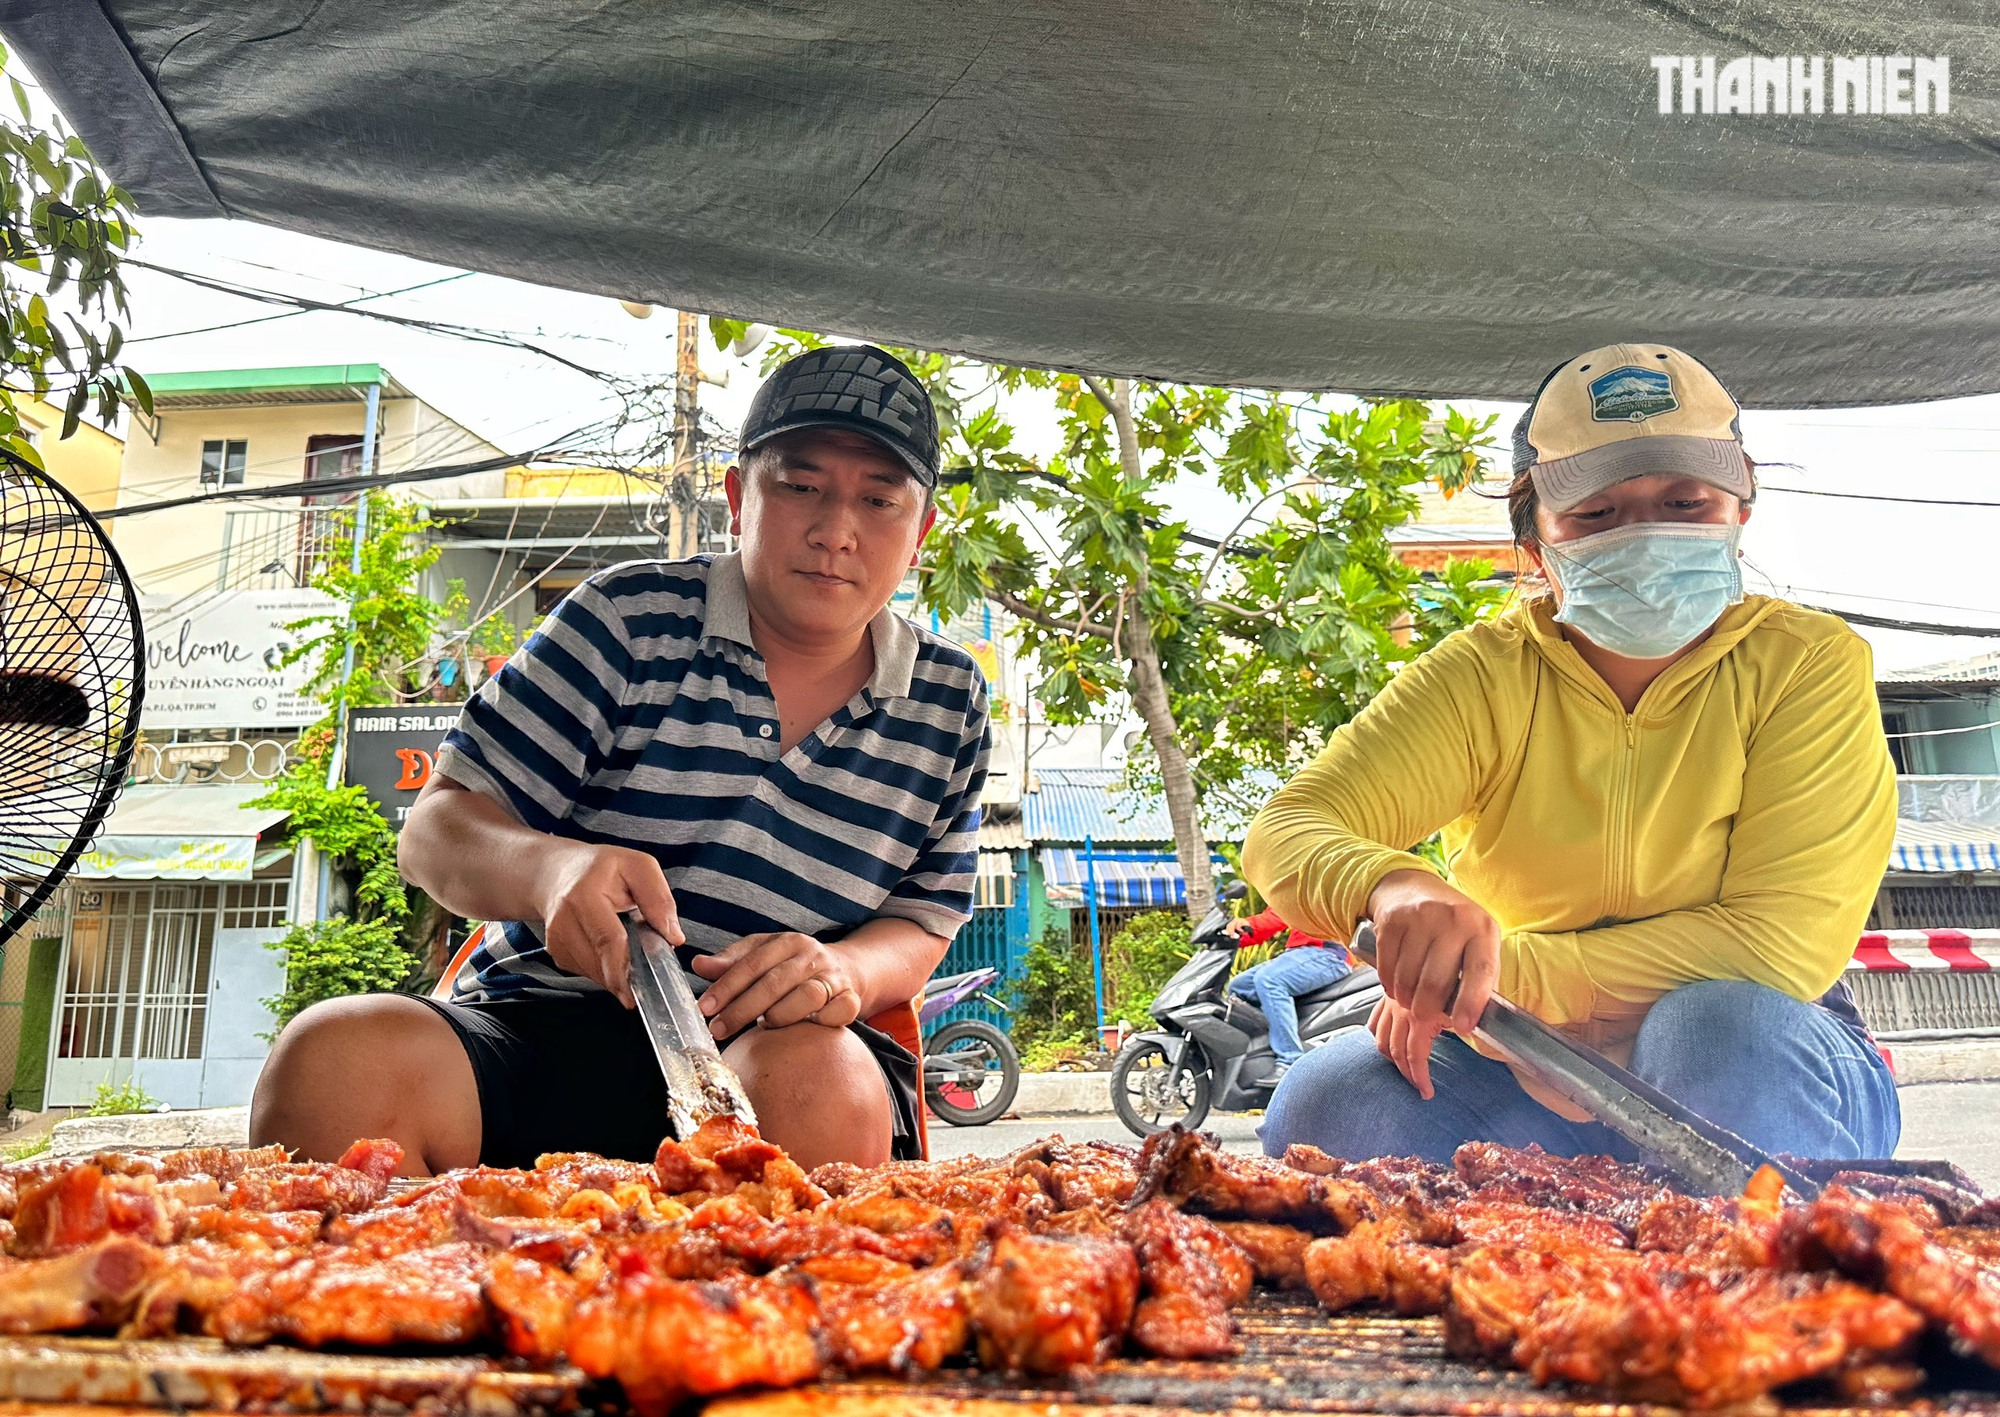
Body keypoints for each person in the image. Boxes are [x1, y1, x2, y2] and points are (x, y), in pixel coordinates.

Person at [251, 346, 990, 1175]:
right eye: (801, 485)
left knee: (823, 1078)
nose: (834, 531)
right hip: (540, 1028)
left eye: (878, 500)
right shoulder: (627, 618)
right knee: (334, 1059)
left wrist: (841, 970)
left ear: (920, 532)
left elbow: (925, 923)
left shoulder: (948, 699)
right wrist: (549, 872)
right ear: (741, 498)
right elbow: (434, 834)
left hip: (779, 1062)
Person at [1244, 342, 1898, 1165]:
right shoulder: (1483, 677)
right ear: (1536, 536)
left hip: (1766, 1053)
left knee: (1712, 1031)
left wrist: (1481, 976)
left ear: (1742, 506)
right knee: (1330, 1100)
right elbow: (1290, 828)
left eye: (1685, 502)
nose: (1647, 533)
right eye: (1596, 513)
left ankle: (1770, 1288)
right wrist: (1394, 886)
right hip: (1514, 1059)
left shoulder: (1806, 663)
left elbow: (1777, 943)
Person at [1223, 907, 1352, 1073]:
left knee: (1270, 980)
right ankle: (1263, 1051)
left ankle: (1291, 1060)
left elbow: (1280, 914)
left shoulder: (1309, 885)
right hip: (1299, 955)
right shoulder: (1293, 885)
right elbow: (1271, 917)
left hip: (1327, 954)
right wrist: (1233, 936)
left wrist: (1249, 923)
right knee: (1239, 986)